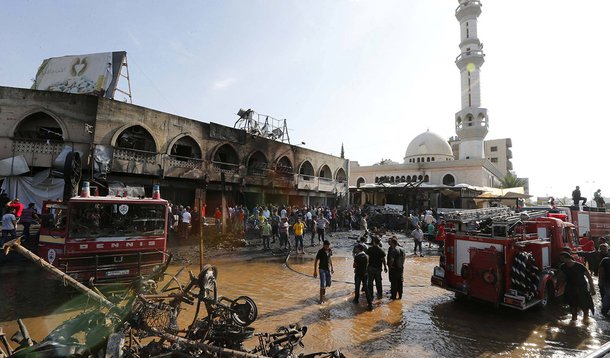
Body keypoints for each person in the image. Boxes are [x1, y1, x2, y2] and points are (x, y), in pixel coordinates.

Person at [559, 252, 595, 321]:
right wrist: (558, 288)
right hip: (570, 288)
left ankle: (585, 320)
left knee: (585, 305)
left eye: (562, 258)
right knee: (572, 305)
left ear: (568, 258)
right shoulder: (563, 266)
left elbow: (589, 277)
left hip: (582, 287)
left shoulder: (580, 266)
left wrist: (592, 288)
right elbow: (561, 277)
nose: (561, 260)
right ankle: (574, 320)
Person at [353, 244, 373, 310]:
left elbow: (354, 266)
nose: (355, 250)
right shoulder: (367, 256)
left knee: (357, 287)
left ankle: (356, 300)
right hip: (365, 273)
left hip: (358, 274)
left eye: (356, 248)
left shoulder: (357, 257)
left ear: (359, 249)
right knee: (366, 288)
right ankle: (370, 303)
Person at [598, 246, 610, 317]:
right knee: (607, 295)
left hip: (607, 282)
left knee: (607, 296)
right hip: (607, 281)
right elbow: (601, 271)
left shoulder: (605, 260)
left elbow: (601, 271)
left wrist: (600, 282)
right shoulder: (605, 260)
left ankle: (604, 311)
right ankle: (604, 310)